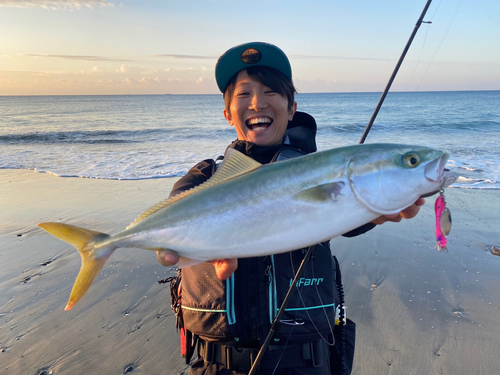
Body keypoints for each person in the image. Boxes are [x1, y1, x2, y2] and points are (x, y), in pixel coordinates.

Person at [157, 42, 424, 375]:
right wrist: (177, 249)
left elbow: (353, 212)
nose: (258, 102)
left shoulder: (323, 173)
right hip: (214, 364)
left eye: (272, 91)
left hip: (304, 363)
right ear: (227, 114)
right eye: (243, 94)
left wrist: (381, 205)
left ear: (291, 107)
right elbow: (166, 237)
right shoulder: (202, 180)